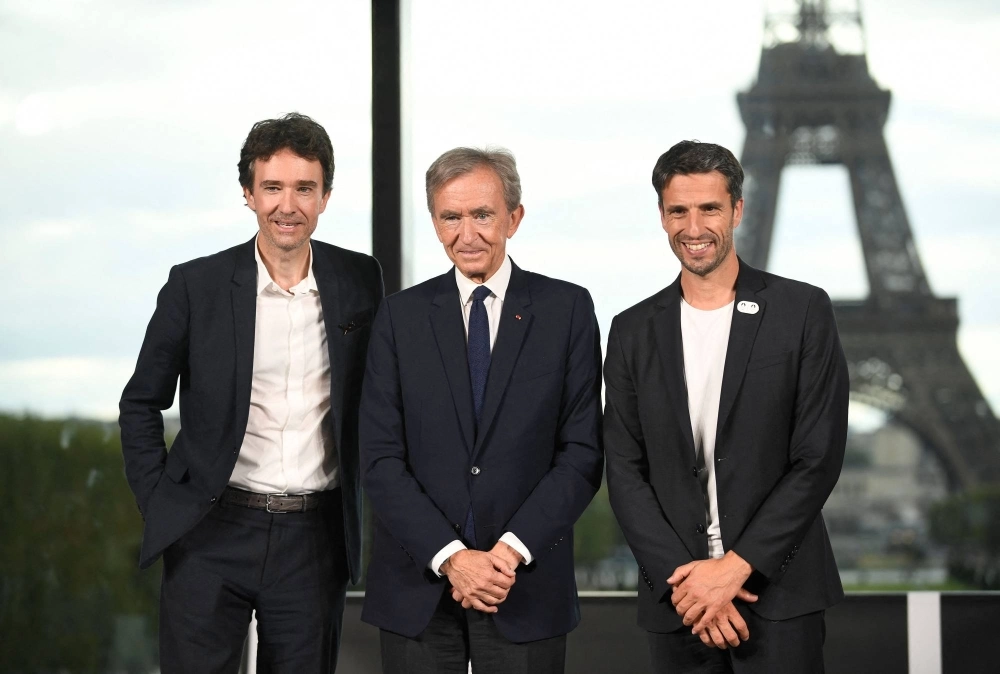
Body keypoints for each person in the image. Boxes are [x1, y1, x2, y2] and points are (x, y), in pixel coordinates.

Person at [119, 112, 383, 673]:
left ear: (325, 197)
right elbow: (141, 402)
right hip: (210, 532)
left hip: (314, 540)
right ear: (248, 194)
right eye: (272, 187)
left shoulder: (361, 281)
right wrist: (161, 501)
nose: (288, 205)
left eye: (304, 188)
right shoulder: (196, 286)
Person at [603, 140, 848, 673]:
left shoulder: (802, 311)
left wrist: (736, 568)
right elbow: (623, 470)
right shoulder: (630, 330)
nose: (694, 227)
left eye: (709, 208)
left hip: (778, 593)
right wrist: (688, 583)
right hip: (680, 600)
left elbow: (817, 457)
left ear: (737, 209)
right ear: (662, 216)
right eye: (678, 211)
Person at [359, 147, 603, 673]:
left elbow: (581, 454)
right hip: (417, 586)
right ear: (434, 222)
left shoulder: (567, 311)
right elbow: (379, 459)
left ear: (514, 217)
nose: (466, 234)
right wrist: (451, 557)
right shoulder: (399, 318)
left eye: (482, 215)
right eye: (451, 217)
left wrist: (507, 554)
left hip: (523, 582)